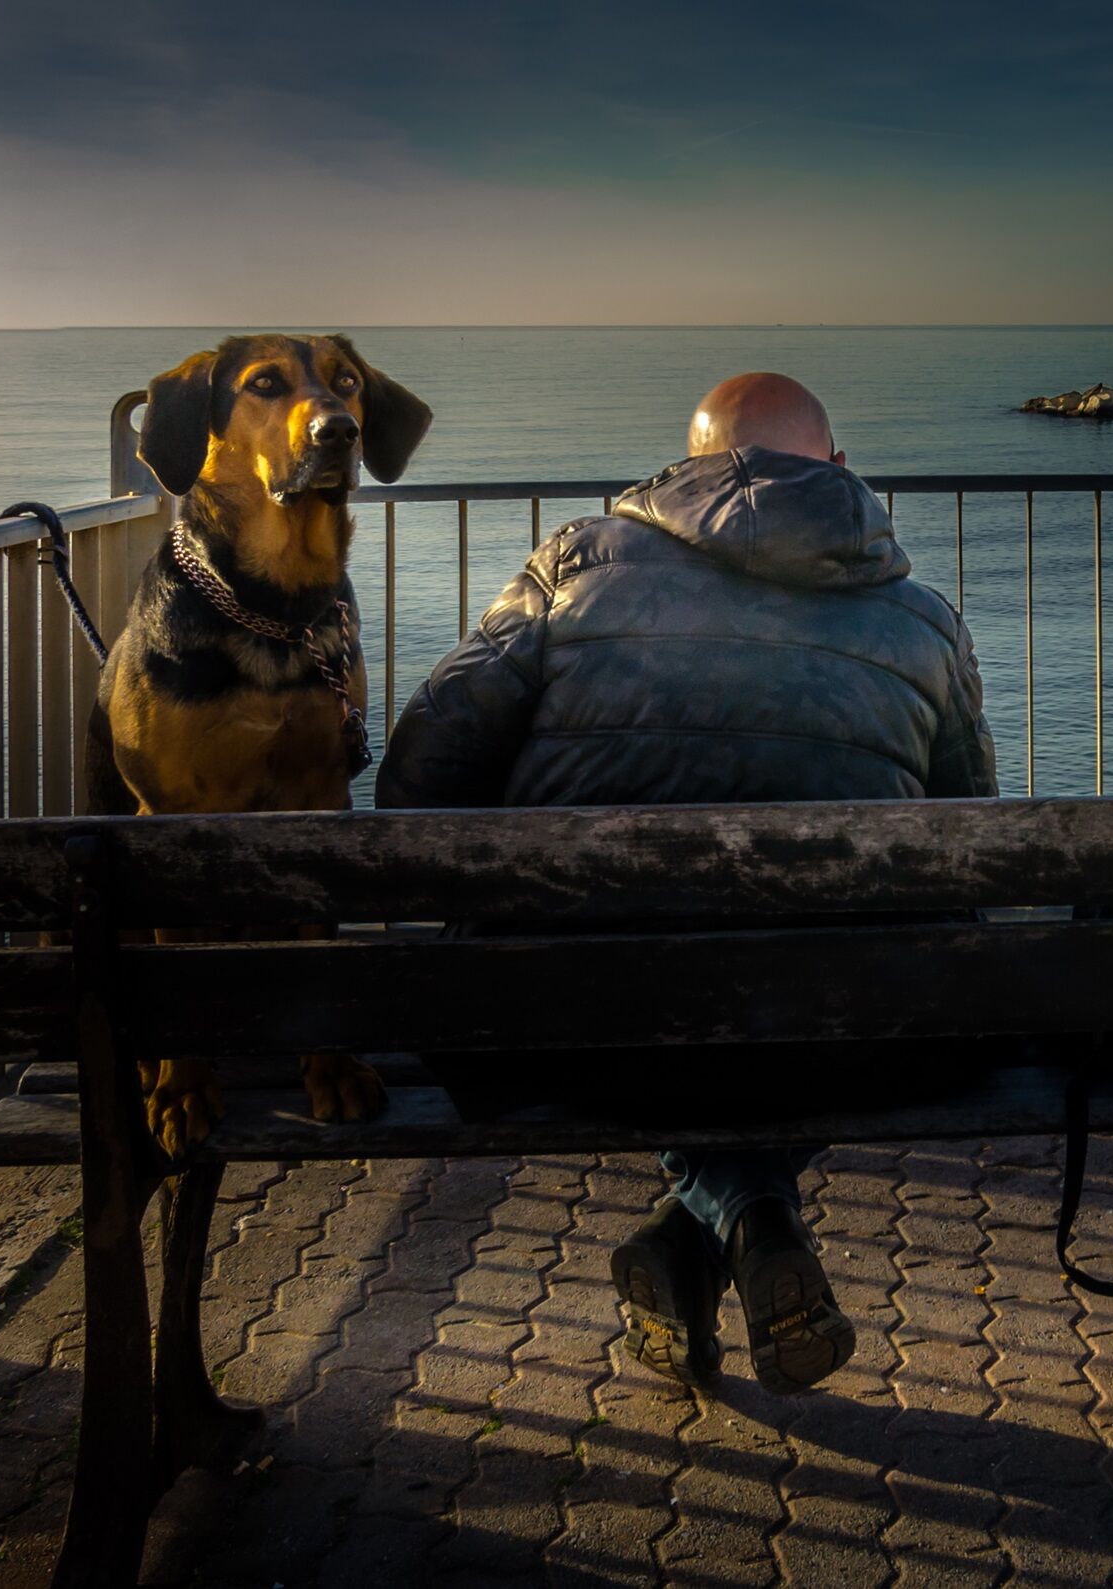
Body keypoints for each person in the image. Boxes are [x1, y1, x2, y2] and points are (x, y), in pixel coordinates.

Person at [376, 373, 998, 1393]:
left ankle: (717, 1224)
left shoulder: (574, 567)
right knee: (800, 1010)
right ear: (837, 471)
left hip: (562, 1026)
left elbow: (415, 779)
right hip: (852, 1039)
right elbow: (968, 842)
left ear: (692, 472)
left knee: (661, 1016)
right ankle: (743, 1215)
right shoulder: (924, 623)